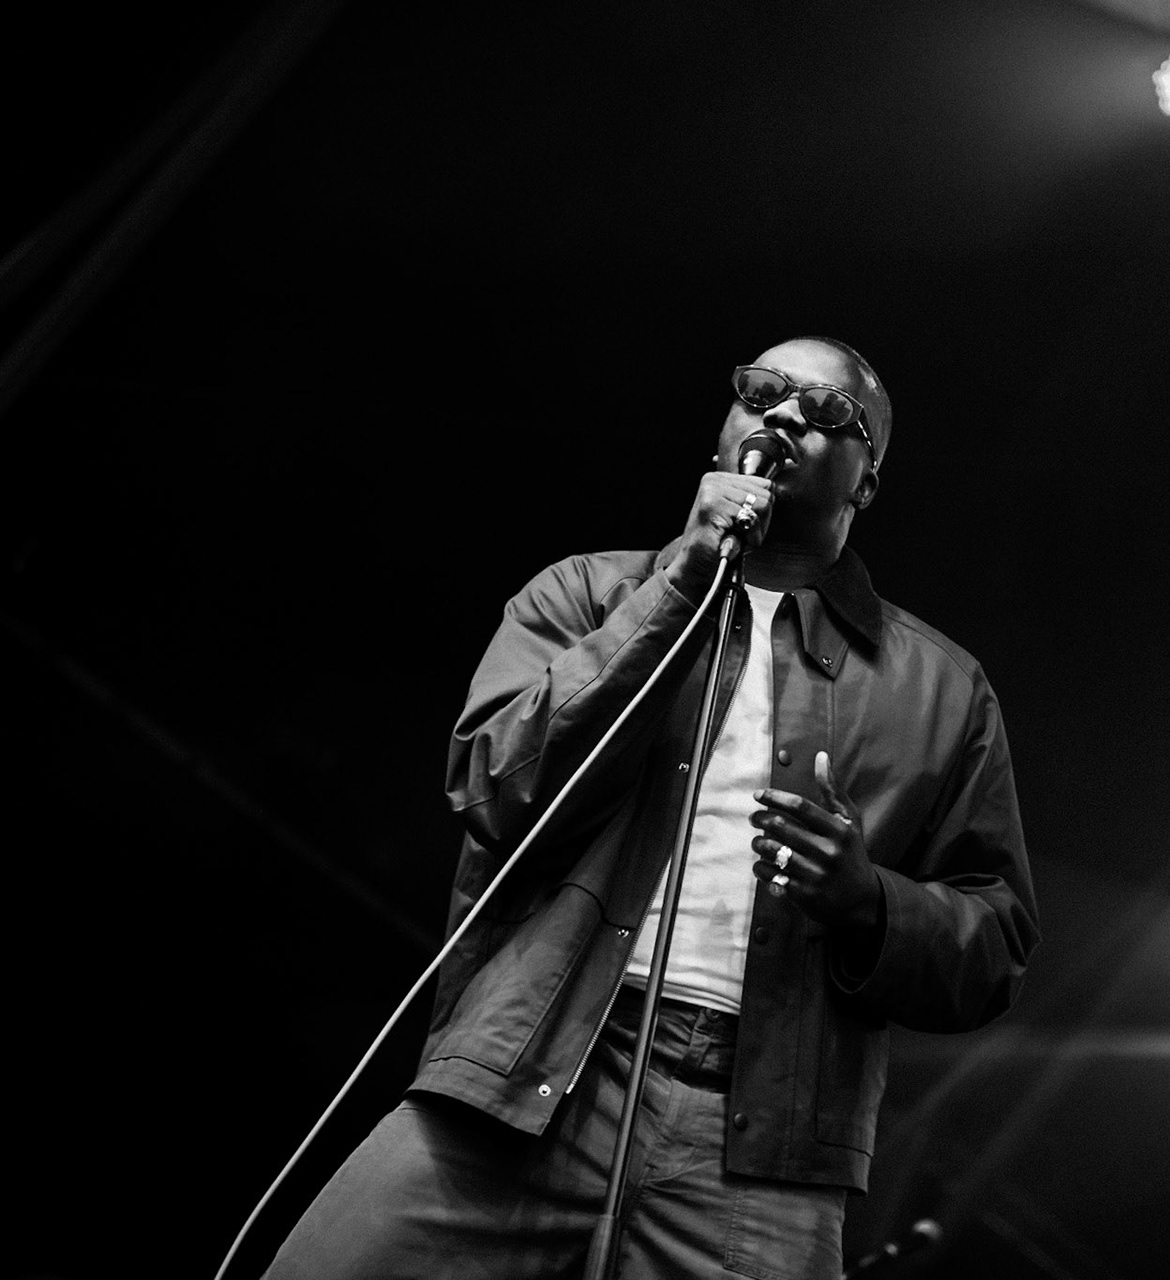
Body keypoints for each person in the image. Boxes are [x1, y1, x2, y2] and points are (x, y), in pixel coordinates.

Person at [263, 336, 1039, 1279]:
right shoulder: (590, 594)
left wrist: (868, 901)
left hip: (765, 1148)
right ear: (726, 429)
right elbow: (493, 782)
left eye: (828, 412)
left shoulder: (943, 691)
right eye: (763, 392)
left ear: (866, 482)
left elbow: (995, 944)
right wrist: (682, 583)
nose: (786, 415)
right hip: (535, 1063)